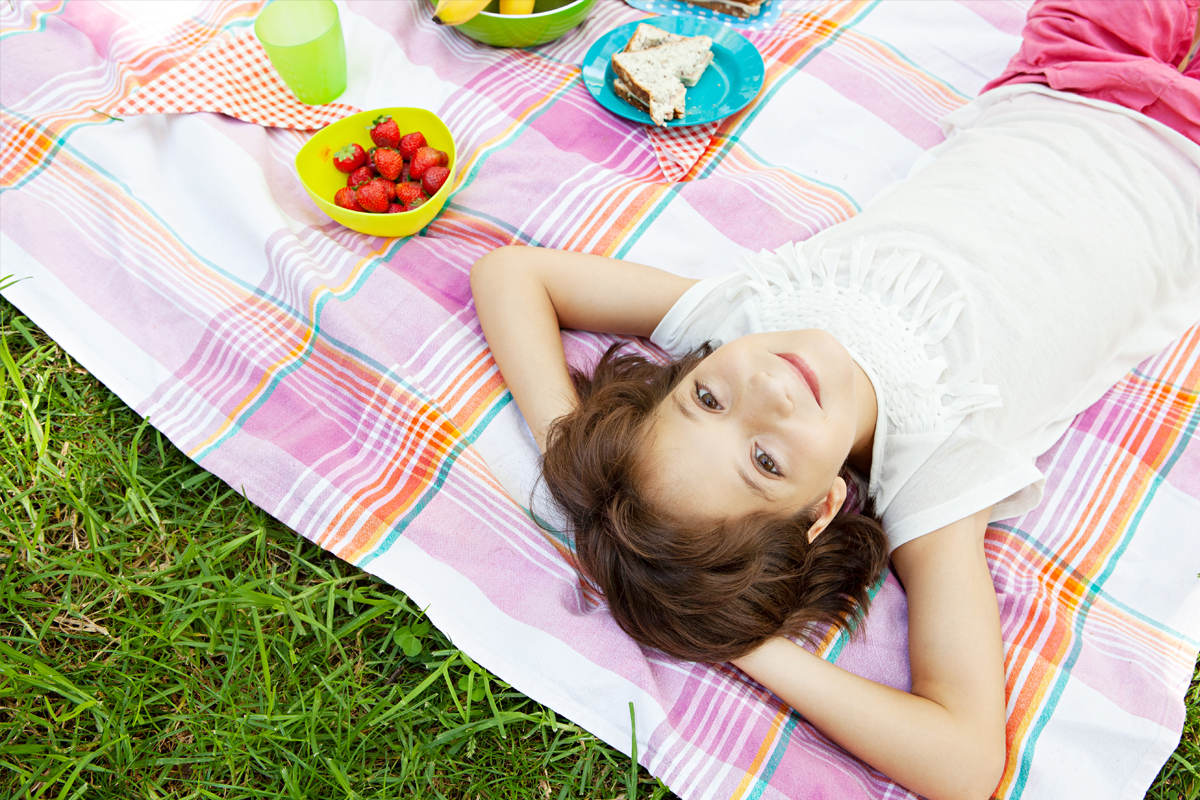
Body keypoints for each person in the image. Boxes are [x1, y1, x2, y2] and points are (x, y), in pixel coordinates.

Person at [470, 2, 1200, 798]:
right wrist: (740, 644)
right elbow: (962, 765)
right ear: (822, 507)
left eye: (707, 399)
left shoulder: (741, 321)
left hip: (1065, 79)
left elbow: (510, 276)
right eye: (765, 459)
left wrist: (572, 460)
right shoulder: (935, 483)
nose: (769, 390)